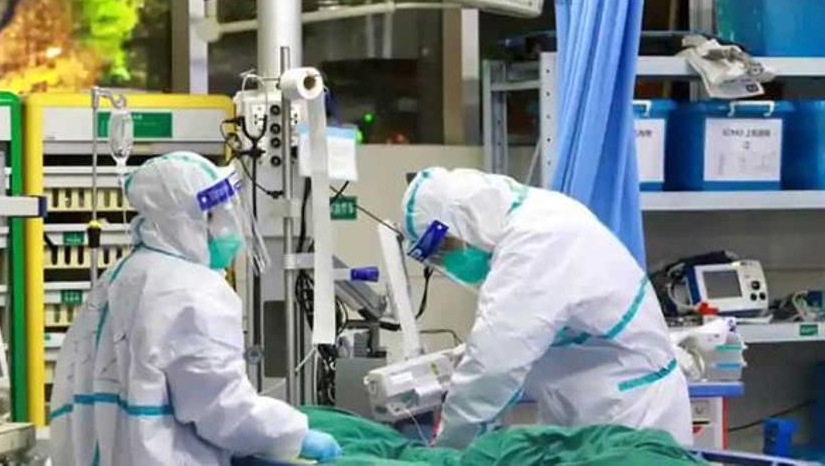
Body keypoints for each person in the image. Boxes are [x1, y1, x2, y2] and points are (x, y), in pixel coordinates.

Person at [50, 151, 341, 465]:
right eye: (217, 216)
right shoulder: (193, 292)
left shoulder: (121, 275)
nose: (230, 230)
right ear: (186, 220)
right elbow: (223, 409)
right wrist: (295, 436)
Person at [401, 167, 692, 449]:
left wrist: (450, 446)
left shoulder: (537, 239)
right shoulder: (536, 218)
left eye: (444, 248)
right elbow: (524, 335)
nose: (447, 262)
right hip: (593, 411)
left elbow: (496, 361)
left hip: (630, 416)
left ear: (465, 219)